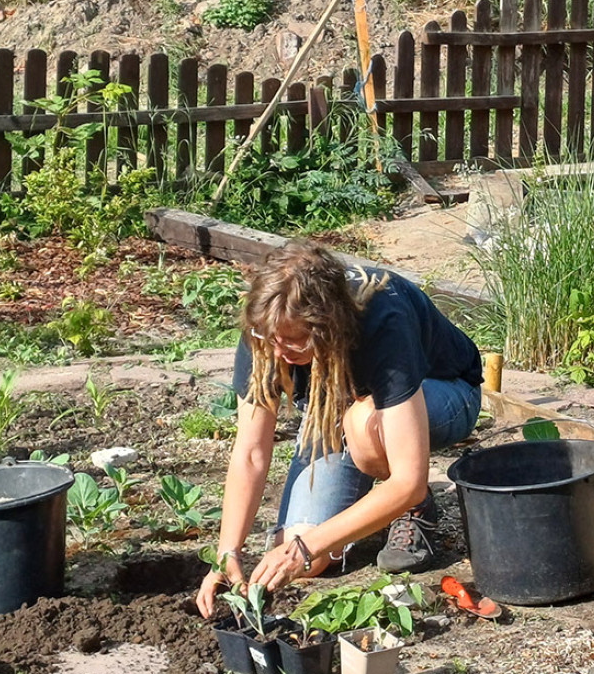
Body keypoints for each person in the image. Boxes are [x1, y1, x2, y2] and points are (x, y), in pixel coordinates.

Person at [195, 240, 483, 619]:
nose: (280, 352)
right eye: (272, 340)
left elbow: (408, 478)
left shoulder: (382, 317)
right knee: (305, 557)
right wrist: (227, 552)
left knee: (363, 426)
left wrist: (306, 546)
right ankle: (371, 499)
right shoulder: (267, 327)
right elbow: (250, 451)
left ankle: (415, 511)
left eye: (295, 342)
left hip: (443, 394)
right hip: (337, 413)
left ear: (328, 324)